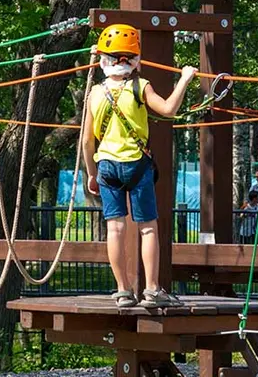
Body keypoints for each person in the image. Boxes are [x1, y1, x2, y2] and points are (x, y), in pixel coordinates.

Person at [81, 23, 198, 308]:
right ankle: (153, 289)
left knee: (115, 228)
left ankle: (122, 290)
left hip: (106, 164)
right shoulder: (139, 86)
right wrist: (185, 78)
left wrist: (91, 174)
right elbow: (169, 110)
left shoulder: (94, 93)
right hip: (136, 163)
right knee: (147, 228)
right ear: (135, 60)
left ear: (103, 60)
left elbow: (86, 142)